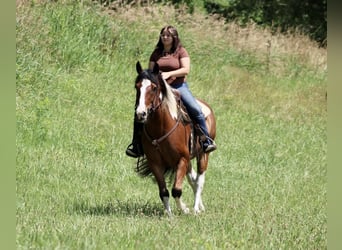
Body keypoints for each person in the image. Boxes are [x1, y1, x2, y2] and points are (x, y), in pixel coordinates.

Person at [126, 25, 217, 158]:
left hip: (179, 86)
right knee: (140, 112)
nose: (165, 37)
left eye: (168, 35)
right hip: (160, 88)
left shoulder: (181, 52)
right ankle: (136, 145)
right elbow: (151, 73)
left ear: (174, 37)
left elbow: (186, 69)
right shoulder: (156, 53)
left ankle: (205, 140)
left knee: (195, 109)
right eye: (163, 35)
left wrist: (169, 74)